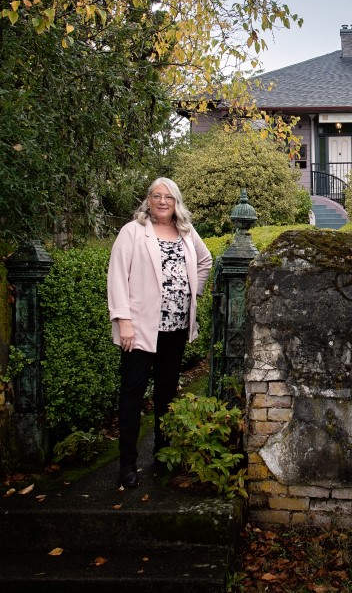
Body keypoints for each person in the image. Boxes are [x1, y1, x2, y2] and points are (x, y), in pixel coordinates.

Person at [107, 177, 212, 488]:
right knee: (132, 394)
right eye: (157, 196)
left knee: (167, 391)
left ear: (176, 202)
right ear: (148, 200)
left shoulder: (186, 232)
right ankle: (127, 464)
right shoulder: (133, 232)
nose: (163, 201)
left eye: (169, 197)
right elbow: (117, 275)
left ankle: (162, 453)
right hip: (139, 328)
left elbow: (205, 262)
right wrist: (123, 320)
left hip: (175, 328)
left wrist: (195, 294)